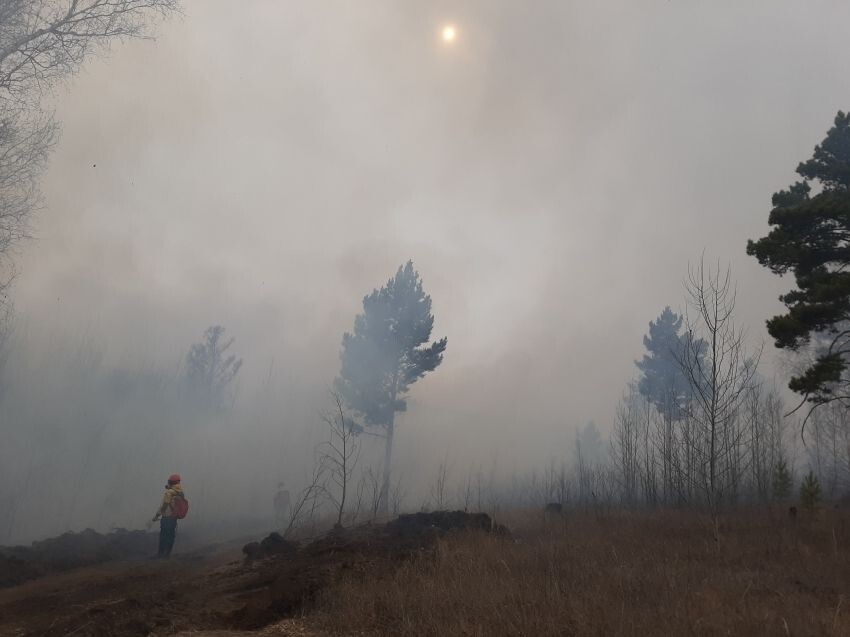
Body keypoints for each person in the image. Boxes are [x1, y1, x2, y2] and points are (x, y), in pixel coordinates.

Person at [152, 473, 185, 558]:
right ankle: (168, 553)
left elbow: (164, 505)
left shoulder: (169, 492)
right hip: (174, 517)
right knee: (171, 535)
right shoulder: (180, 492)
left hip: (167, 517)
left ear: (170, 482)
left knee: (163, 535)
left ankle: (160, 554)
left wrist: (157, 516)